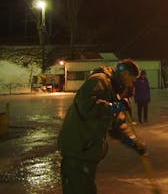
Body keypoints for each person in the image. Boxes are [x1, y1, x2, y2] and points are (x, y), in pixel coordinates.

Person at [58, 59, 147, 194]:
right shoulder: (99, 81)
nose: (132, 84)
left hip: (88, 151)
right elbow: (87, 106)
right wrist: (114, 107)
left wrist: (133, 142)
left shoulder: (114, 93)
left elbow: (117, 126)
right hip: (77, 149)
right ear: (126, 74)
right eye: (132, 80)